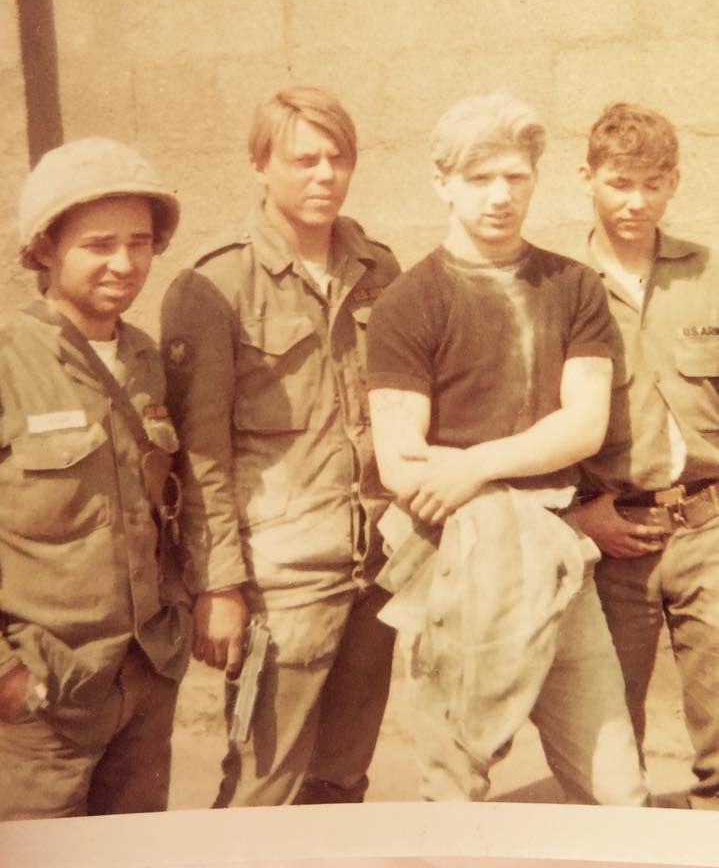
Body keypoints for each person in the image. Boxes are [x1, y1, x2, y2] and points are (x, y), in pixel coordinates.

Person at [366, 91, 647, 804]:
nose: (499, 196)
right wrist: (509, 473)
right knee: (453, 790)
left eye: (515, 178)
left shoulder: (571, 287)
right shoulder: (408, 303)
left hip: (560, 563)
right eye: (478, 178)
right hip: (455, 568)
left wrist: (472, 464)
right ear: (442, 184)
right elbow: (403, 463)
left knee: (618, 791)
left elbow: (581, 426)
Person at [160, 85, 400, 806]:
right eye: (303, 160)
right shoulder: (214, 287)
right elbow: (198, 458)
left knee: (343, 777)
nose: (324, 174)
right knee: (265, 783)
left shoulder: (378, 270)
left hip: (374, 566)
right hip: (281, 578)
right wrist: (220, 586)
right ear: (258, 165)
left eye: (338, 158)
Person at [0, 137, 191, 820]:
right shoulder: (8, 359)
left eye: (139, 243)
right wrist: (6, 675)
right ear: (45, 249)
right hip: (41, 705)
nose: (124, 264)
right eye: (99, 244)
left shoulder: (145, 359)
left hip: (143, 682)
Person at [569, 102, 719, 810]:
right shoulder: (558, 289)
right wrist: (577, 517)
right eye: (619, 182)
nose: (635, 201)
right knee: (609, 743)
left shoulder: (708, 272)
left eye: (651, 184)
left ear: (673, 184)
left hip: (708, 526)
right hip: (612, 539)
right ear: (587, 179)